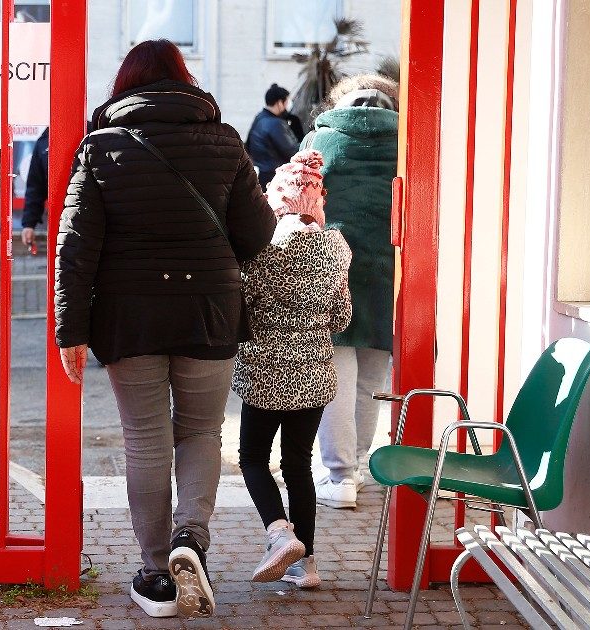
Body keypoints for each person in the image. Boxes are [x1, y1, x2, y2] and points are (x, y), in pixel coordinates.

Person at [54, 40, 275, 619]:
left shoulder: (101, 146)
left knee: (146, 439)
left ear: (124, 84)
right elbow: (257, 235)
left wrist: (69, 329)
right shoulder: (224, 141)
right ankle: (191, 540)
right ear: (185, 81)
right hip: (210, 310)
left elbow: (76, 246)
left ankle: (156, 575)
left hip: (130, 317)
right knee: (201, 433)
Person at [233, 150, 351, 591]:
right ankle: (309, 563)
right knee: (298, 463)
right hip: (315, 373)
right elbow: (340, 318)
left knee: (252, 458)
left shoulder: (258, 251)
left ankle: (279, 533)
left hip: (263, 371)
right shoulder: (337, 248)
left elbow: (243, 310)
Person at [303, 75, 400, 510]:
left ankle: (339, 477)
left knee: (336, 381)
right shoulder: (408, 140)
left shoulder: (322, 140)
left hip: (333, 268)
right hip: (389, 272)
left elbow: (296, 200)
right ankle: (355, 468)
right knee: (370, 383)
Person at [246, 84, 299, 189]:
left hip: (262, 174)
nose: (287, 107)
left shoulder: (259, 117)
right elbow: (292, 151)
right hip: (274, 177)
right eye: (286, 103)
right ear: (279, 102)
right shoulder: (275, 124)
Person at [20, 127, 49, 254]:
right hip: (61, 219)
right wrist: (29, 224)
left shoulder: (91, 133)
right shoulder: (44, 142)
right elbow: (35, 186)